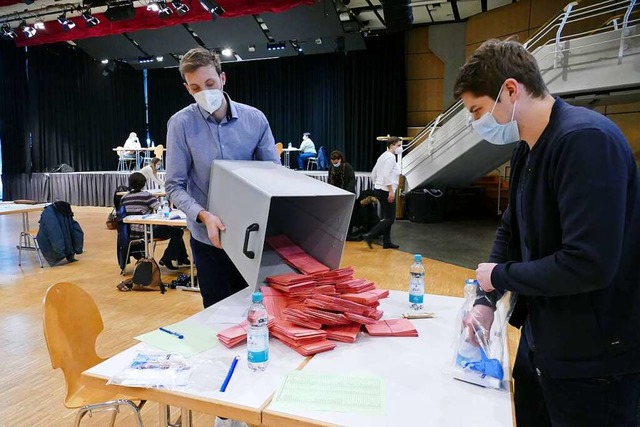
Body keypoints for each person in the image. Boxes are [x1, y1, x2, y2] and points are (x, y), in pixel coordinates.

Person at [454, 39, 640, 427]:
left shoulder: (585, 141)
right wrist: (487, 301)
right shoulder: (527, 147)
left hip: (595, 359)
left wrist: (501, 276)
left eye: (477, 110)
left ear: (510, 90)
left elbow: (587, 264)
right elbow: (511, 228)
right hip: (544, 341)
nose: (476, 123)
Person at [165, 48, 280, 309]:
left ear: (223, 78)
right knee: (216, 313)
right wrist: (203, 215)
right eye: (195, 88)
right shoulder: (180, 124)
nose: (204, 92)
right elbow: (173, 185)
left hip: (250, 236)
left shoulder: (255, 119)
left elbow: (272, 174)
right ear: (187, 88)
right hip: (207, 239)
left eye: (210, 83)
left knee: (254, 309)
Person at [120, 172, 189, 270]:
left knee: (175, 231)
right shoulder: (146, 196)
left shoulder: (124, 197)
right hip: (145, 231)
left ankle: (182, 258)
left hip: (129, 232)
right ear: (144, 183)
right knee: (178, 231)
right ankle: (167, 258)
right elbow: (161, 208)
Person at [362, 137, 402, 250]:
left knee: (387, 216)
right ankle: (369, 235)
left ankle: (387, 241)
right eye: (398, 145)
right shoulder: (391, 157)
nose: (400, 148)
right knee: (390, 218)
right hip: (386, 190)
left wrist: (376, 185)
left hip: (379, 189)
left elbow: (373, 173)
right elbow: (385, 174)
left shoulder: (383, 156)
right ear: (392, 145)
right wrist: (390, 191)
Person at [327, 150, 358, 238]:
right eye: (333, 161)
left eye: (336, 161)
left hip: (348, 194)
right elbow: (329, 180)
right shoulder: (331, 168)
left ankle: (349, 232)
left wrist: (347, 193)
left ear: (340, 159)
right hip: (336, 195)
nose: (334, 163)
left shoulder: (347, 167)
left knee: (349, 215)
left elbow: (352, 181)